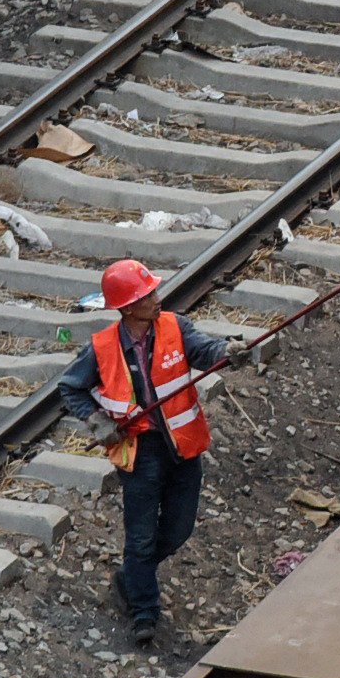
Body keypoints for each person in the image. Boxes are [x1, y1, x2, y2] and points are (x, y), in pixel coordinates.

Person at [56, 259, 229, 649]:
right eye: (147, 294)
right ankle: (143, 612)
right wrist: (98, 422)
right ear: (128, 308)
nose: (156, 298)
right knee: (140, 538)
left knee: (179, 529)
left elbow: (204, 350)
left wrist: (228, 351)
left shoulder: (175, 326)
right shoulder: (102, 348)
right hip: (140, 451)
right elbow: (70, 389)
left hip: (182, 447)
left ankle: (132, 577)